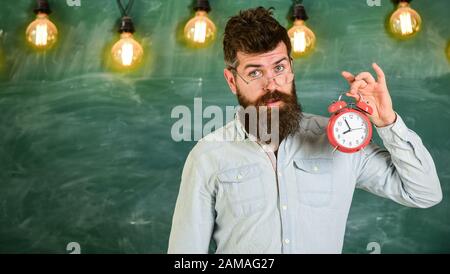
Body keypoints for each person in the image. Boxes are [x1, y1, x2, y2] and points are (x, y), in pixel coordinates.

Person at [167, 7, 442, 254]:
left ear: (291, 68)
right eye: (254, 73)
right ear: (232, 81)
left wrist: (388, 122)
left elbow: (424, 193)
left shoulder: (341, 141)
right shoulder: (207, 156)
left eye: (279, 67)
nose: (271, 84)